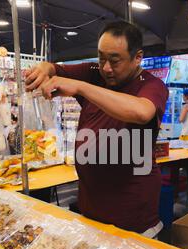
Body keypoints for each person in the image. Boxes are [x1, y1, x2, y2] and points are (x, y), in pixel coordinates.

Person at [25, 21, 169, 238]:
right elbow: (53, 68)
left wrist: (81, 87)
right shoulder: (95, 73)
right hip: (92, 211)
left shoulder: (151, 85)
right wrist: (44, 69)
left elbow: (141, 111)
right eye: (101, 58)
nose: (106, 67)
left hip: (132, 216)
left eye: (114, 60)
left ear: (137, 57)